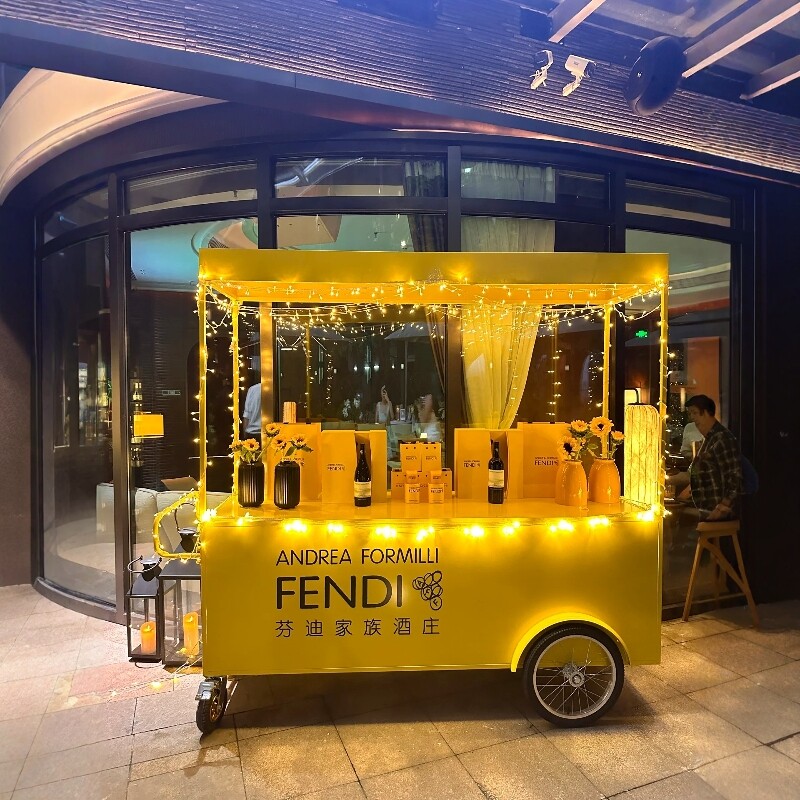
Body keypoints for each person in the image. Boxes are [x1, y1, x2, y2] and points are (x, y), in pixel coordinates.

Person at [678, 394, 741, 521]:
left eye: (695, 413)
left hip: (716, 512)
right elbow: (695, 474)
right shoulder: (709, 439)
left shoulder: (722, 439)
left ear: (707, 412)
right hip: (705, 508)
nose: (692, 418)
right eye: (690, 414)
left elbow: (735, 477)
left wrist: (722, 507)